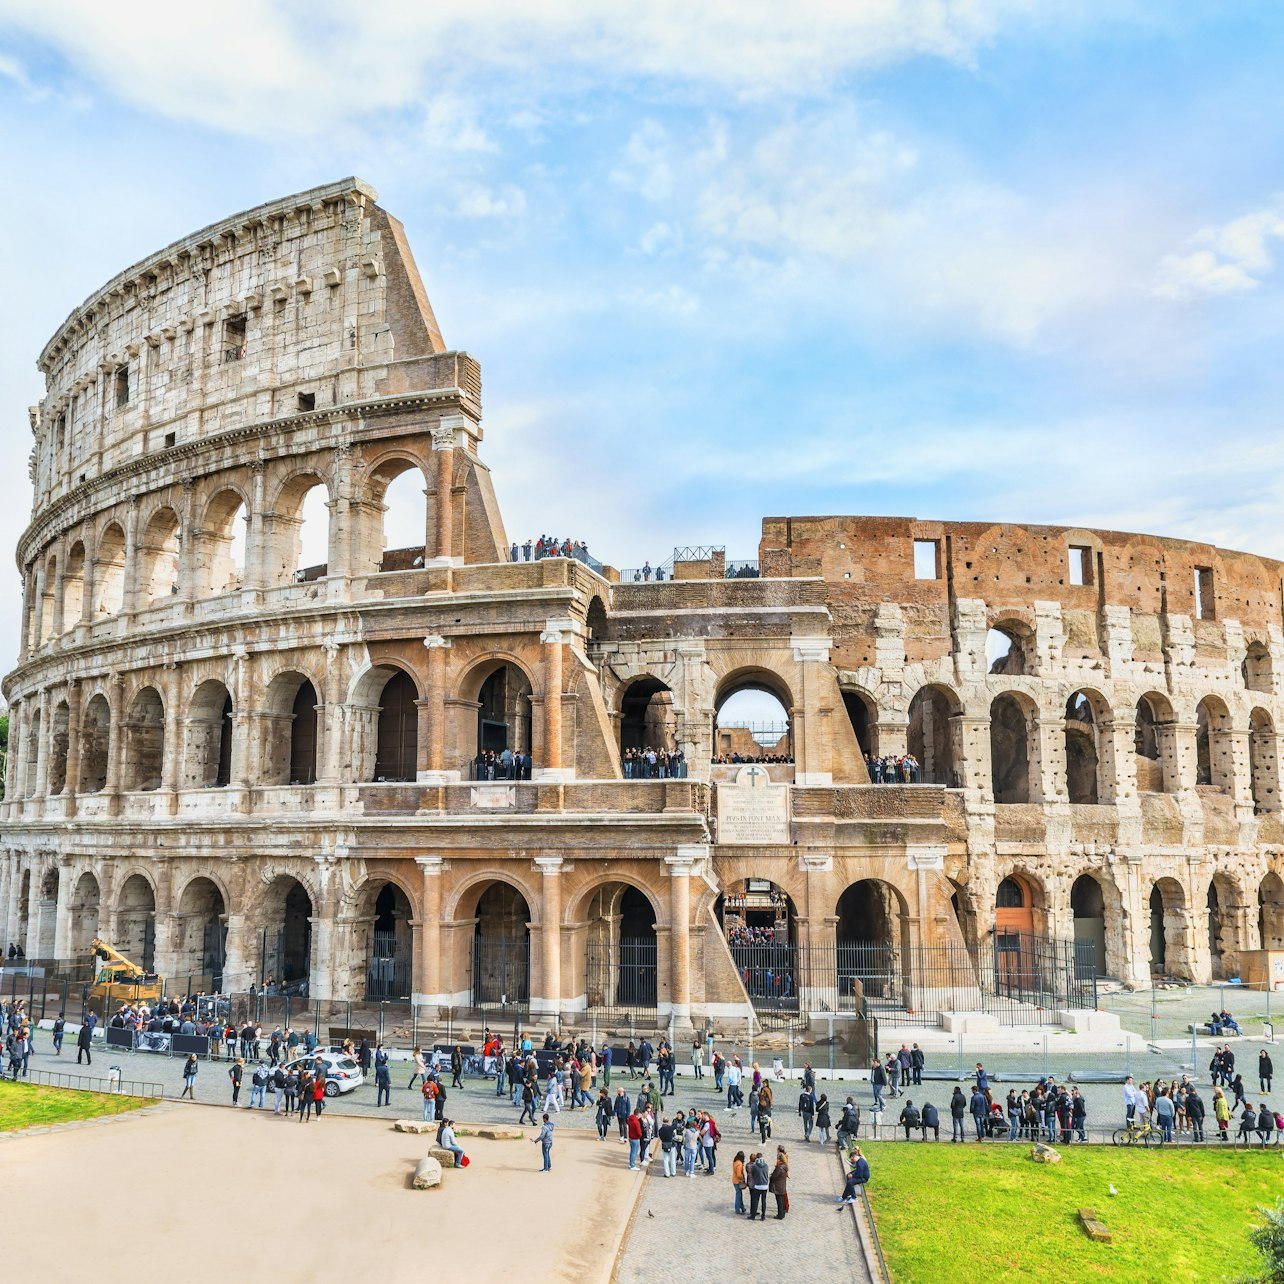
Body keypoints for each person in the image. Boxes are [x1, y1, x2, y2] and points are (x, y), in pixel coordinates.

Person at [747, 1152, 770, 1221]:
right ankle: (763, 1216)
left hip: (758, 1185)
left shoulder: (754, 1166)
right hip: (765, 1185)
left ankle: (753, 1215)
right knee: (764, 1201)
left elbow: (752, 1175)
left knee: (755, 1201)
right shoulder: (766, 1165)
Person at [768, 1148, 789, 1220]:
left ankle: (780, 1215)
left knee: (779, 1201)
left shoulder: (779, 1168)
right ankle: (782, 1213)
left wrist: (771, 1176)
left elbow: (774, 1176)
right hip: (782, 1185)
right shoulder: (785, 1166)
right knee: (781, 1200)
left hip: (778, 1186)